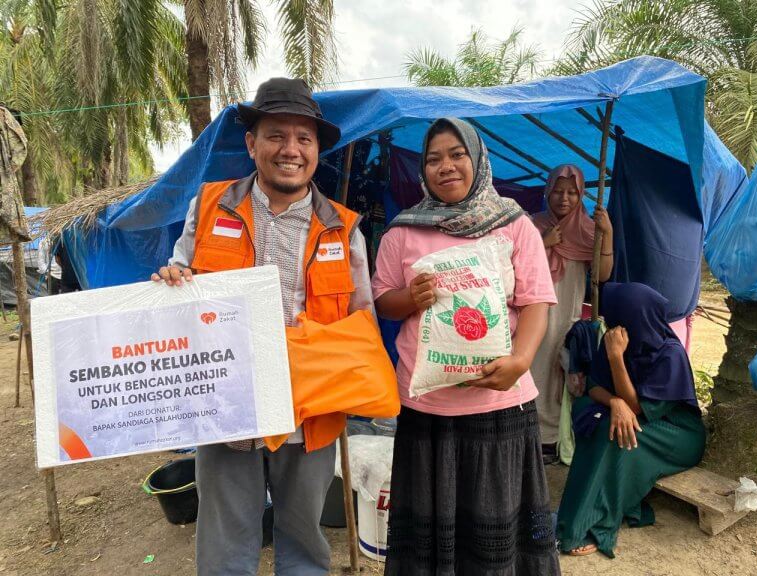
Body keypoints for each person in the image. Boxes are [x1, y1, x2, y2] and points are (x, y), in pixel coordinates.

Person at [152, 77, 375, 576]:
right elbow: (180, 280)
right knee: (225, 549)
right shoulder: (209, 208)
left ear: (317, 151)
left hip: (309, 417)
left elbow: (361, 322)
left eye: (304, 138)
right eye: (275, 135)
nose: (290, 149)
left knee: (303, 547)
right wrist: (171, 279)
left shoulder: (343, 228)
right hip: (226, 412)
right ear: (252, 144)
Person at [372, 117, 561, 575]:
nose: (446, 166)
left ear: (477, 160)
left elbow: (537, 301)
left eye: (457, 155)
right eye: (434, 158)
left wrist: (520, 361)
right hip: (427, 405)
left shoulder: (513, 225)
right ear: (423, 170)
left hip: (499, 401)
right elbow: (382, 300)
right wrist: (408, 297)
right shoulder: (402, 230)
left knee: (496, 528)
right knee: (430, 528)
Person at [557, 282, 705, 558]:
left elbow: (637, 406)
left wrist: (616, 359)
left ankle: (595, 524)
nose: (610, 324)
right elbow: (593, 386)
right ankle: (576, 516)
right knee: (594, 418)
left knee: (617, 436)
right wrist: (614, 402)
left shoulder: (669, 354)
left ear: (633, 317)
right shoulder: (613, 338)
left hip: (677, 433)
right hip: (639, 418)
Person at [530, 164, 613, 463]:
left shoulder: (590, 230)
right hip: (533, 312)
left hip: (567, 314)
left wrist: (608, 234)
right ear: (547, 191)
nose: (564, 198)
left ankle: (551, 439)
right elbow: (514, 266)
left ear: (581, 196)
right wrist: (544, 243)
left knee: (558, 375)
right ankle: (527, 435)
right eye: (558, 191)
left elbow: (602, 275)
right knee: (531, 369)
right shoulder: (532, 225)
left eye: (572, 193)